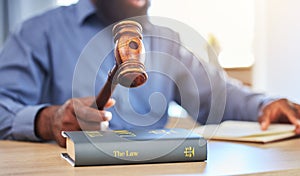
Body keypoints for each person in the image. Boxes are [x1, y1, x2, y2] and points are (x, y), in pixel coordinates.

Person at [0, 0, 299, 147]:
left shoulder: (166, 40)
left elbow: (217, 94)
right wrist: (46, 119)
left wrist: (265, 105)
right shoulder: (37, 33)